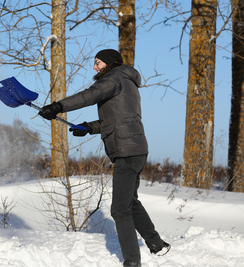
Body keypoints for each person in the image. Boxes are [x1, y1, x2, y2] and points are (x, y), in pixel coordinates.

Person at [38, 49, 170, 267]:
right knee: (130, 202)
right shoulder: (126, 82)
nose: (94, 67)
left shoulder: (114, 77)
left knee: (119, 209)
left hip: (126, 151)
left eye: (97, 62)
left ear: (109, 63)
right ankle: (157, 244)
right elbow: (117, 120)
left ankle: (132, 262)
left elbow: (89, 95)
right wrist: (89, 127)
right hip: (136, 148)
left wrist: (58, 107)